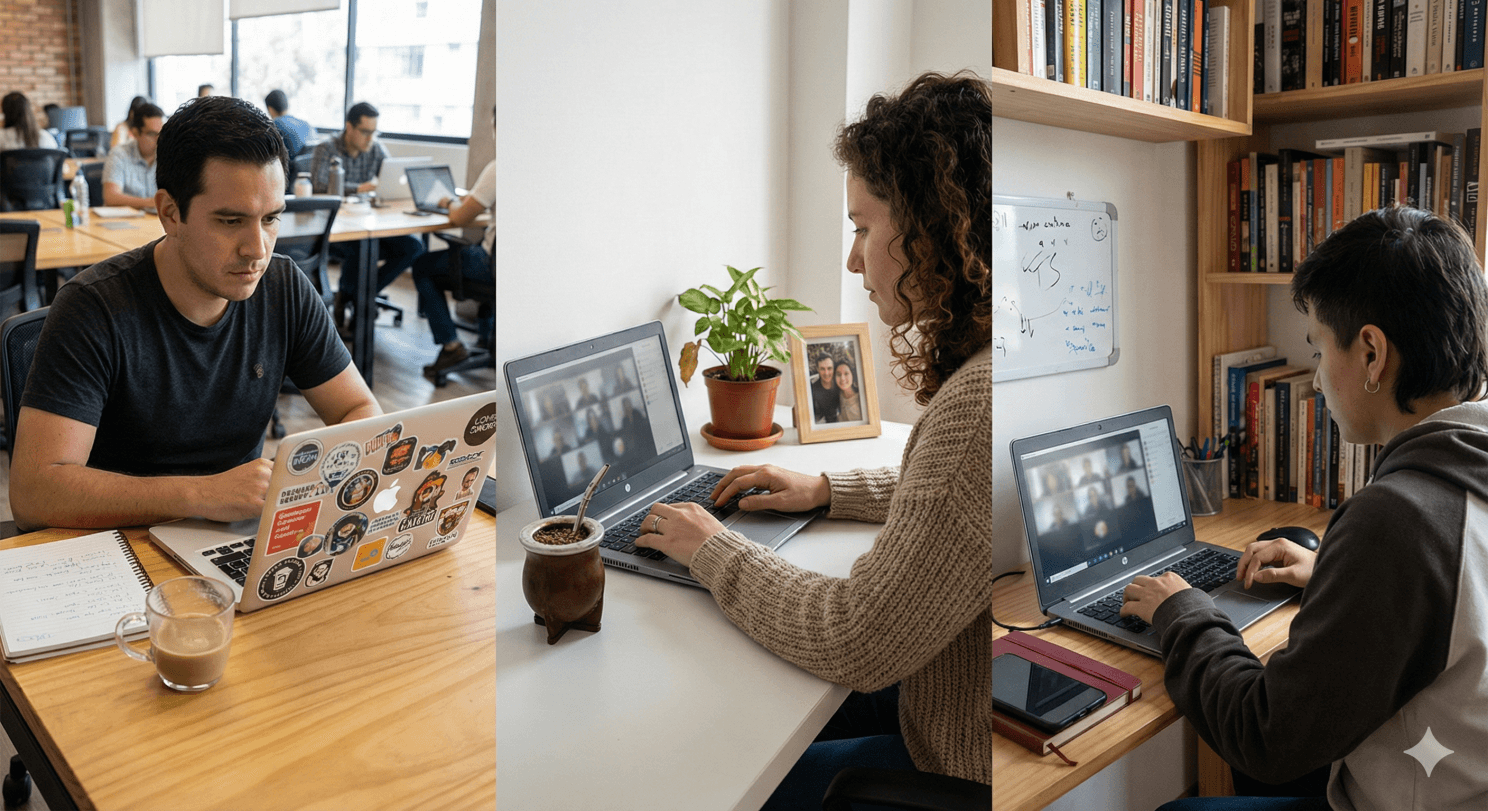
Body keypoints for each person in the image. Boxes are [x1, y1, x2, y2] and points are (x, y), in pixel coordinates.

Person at [634, 71, 992, 802]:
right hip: (942, 702)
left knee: (726, 767)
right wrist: (828, 489)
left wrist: (712, 548)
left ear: (928, 223)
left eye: (863, 227)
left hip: (950, 762)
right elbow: (951, 502)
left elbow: (857, 636)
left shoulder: (976, 404)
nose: (854, 259)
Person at [1122, 206, 1488, 811]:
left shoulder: (1399, 520)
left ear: (1372, 354)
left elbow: (1265, 735)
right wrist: (1336, 578)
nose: (1316, 382)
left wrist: (1183, 611)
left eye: (1318, 351)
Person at [9, 96, 380, 531]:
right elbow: (35, 493)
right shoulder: (94, 308)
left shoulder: (284, 286)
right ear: (169, 212)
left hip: (236, 535)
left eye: (271, 219)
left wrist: (303, 475)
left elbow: (359, 409)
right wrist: (202, 494)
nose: (257, 250)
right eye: (230, 221)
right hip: (119, 543)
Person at [312, 101, 424, 330]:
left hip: (369, 224)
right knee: (360, 247)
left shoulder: (375, 149)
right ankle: (356, 297)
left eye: (374, 133)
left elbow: (392, 177)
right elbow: (319, 185)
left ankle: (355, 295)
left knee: (413, 247)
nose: (370, 139)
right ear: (349, 127)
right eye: (365, 132)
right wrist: (359, 188)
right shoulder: (326, 148)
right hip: (337, 232)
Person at [410, 104, 495, 378]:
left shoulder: (500, 168)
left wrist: (449, 201)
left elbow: (459, 218)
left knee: (422, 264)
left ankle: (451, 345)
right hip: (525, 270)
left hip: (490, 268)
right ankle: (487, 339)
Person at [101, 102, 165, 210]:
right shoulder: (119, 154)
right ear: (135, 133)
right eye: (152, 134)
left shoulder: (167, 155)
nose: (158, 139)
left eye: (162, 133)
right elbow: (111, 197)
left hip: (156, 223)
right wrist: (152, 202)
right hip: (127, 223)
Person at [264, 89, 313, 157]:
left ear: (270, 109)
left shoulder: (274, 126)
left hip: (290, 167)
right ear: (287, 105)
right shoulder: (307, 125)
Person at [809, 352, 839, 423]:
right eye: (822, 369)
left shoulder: (840, 385)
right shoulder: (812, 390)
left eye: (829, 368)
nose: (826, 373)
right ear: (817, 369)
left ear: (834, 368)